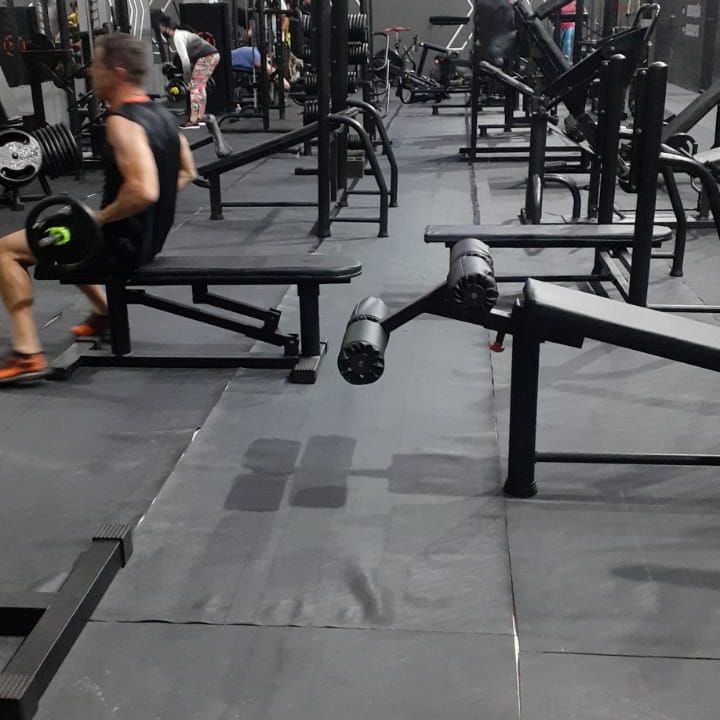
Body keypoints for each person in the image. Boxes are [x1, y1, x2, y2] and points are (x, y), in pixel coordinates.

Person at [0, 32, 197, 385]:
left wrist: (100, 217)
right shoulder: (164, 116)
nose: (91, 72)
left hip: (119, 247)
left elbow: (144, 189)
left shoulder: (121, 122)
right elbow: (186, 172)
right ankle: (105, 313)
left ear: (117, 72)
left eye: (97, 66)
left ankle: (27, 354)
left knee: (5, 252)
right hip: (149, 241)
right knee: (67, 228)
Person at [157, 14, 221, 127]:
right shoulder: (183, 33)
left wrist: (187, 79)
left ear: (166, 28)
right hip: (213, 55)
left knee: (194, 88)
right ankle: (200, 117)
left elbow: (185, 60)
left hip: (206, 57)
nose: (161, 31)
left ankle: (193, 120)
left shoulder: (177, 37)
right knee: (200, 87)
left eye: (161, 28)